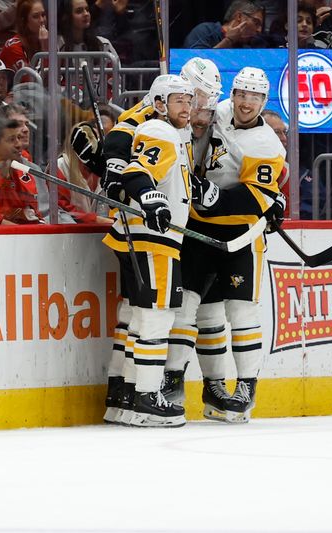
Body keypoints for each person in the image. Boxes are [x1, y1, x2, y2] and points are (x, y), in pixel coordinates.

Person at [100, 57, 222, 425]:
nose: (189, 108)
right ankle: (147, 397)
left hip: (141, 235)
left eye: (190, 100)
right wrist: (148, 195)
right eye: (180, 101)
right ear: (159, 104)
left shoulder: (174, 134)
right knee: (157, 316)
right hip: (155, 239)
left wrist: (194, 191)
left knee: (135, 316)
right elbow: (139, 169)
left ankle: (122, 393)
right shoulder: (160, 130)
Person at [172, 66, 286, 424]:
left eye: (255, 96)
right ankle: (200, 385)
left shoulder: (267, 144)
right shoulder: (218, 113)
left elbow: (254, 197)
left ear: (264, 101)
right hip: (198, 230)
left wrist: (212, 194)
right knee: (192, 309)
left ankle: (246, 387)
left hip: (239, 236)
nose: (246, 102)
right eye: (241, 93)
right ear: (232, 94)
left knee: (240, 312)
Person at [262, 108, 325, 219]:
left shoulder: (297, 174)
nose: (284, 138)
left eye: (284, 132)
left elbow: (310, 212)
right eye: (277, 132)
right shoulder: (239, 166)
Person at [183, 0, 265, 49]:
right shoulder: (205, 31)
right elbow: (196, 64)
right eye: (256, 22)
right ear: (239, 16)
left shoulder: (246, 47)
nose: (259, 30)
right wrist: (228, 40)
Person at [0, 0, 48, 73]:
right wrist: (46, 49)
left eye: (43, 15)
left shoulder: (48, 40)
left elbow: (60, 77)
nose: (42, 20)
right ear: (23, 21)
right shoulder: (13, 48)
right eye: (35, 16)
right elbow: (32, 81)